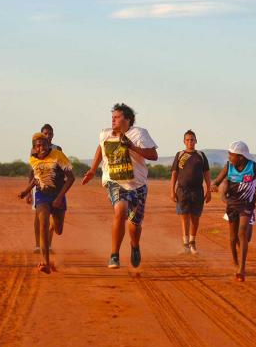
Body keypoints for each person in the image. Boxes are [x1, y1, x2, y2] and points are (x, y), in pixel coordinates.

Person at [82, 103, 158, 270]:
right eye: (112, 117)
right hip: (115, 181)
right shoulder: (105, 134)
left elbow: (153, 155)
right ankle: (114, 255)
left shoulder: (139, 134)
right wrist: (93, 169)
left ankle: (135, 245)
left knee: (134, 224)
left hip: (138, 184)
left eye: (117, 117)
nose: (113, 120)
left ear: (127, 120)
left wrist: (132, 146)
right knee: (120, 211)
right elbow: (101, 148)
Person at [210, 141, 256, 281]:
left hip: (246, 205)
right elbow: (217, 181)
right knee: (233, 238)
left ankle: (241, 269)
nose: (229, 157)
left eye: (231, 155)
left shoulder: (254, 168)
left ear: (241, 157)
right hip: (231, 204)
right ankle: (235, 263)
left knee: (242, 233)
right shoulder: (228, 166)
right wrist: (214, 186)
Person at [19, 133, 74, 274]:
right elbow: (37, 178)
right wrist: (26, 191)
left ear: (49, 144)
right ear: (34, 148)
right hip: (42, 195)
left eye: (44, 144)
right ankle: (46, 263)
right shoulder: (33, 159)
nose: (41, 147)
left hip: (58, 195)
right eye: (38, 145)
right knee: (42, 224)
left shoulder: (58, 156)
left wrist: (60, 197)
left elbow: (71, 178)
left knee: (58, 230)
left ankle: (53, 223)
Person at [170, 130, 212, 254]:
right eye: (187, 140)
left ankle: (193, 244)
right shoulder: (179, 155)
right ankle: (185, 245)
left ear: (196, 141)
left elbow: (207, 174)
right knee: (184, 217)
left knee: (195, 217)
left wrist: (208, 190)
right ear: (184, 142)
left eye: (192, 139)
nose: (190, 142)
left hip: (197, 191)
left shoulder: (201, 155)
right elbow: (174, 173)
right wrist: (172, 191)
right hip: (182, 191)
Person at [25, 123, 63, 253]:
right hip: (39, 186)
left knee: (53, 217)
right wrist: (29, 191)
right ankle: (38, 245)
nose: (48, 136)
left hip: (55, 188)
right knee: (39, 216)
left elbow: (62, 169)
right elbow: (32, 171)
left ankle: (48, 244)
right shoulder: (35, 149)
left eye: (50, 133)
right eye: (45, 133)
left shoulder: (57, 149)